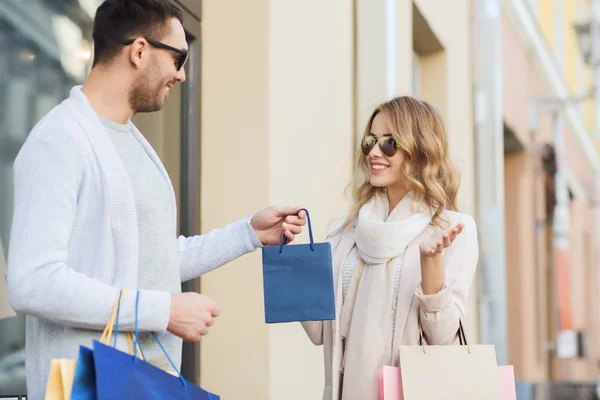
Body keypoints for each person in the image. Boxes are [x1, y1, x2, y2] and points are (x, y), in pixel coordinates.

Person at [5, 0, 306, 397]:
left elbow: (155, 261)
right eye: (179, 57)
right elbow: (33, 281)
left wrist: (248, 234)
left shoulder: (134, 144)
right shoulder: (58, 140)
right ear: (140, 50)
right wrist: (162, 311)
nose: (182, 75)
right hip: (86, 385)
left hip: (148, 383)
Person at [301, 96, 479, 400]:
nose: (373, 151)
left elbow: (442, 339)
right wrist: (288, 256)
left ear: (420, 151)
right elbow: (319, 331)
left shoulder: (453, 229)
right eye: (370, 141)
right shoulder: (345, 232)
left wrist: (431, 263)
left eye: (389, 143)